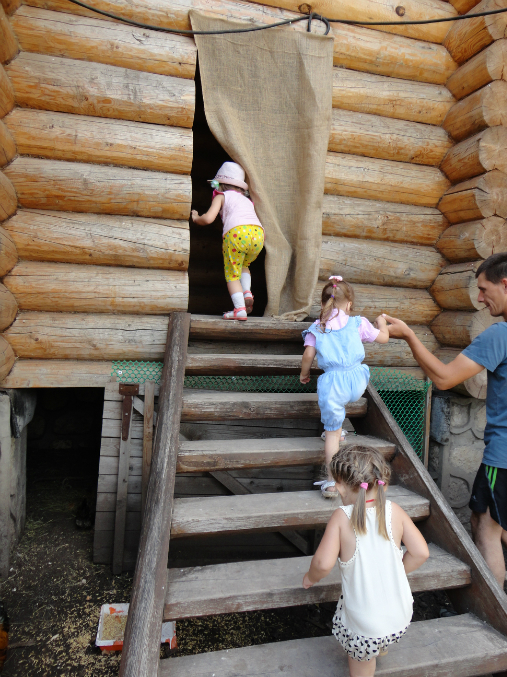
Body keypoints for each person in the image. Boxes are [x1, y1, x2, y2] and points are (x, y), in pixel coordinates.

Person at [384, 252, 507, 588]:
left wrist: (410, 336)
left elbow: (443, 378)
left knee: (486, 527)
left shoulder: (500, 335)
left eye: (484, 289)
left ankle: (494, 612)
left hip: (503, 456)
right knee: (492, 521)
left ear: (505, 284)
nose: (479, 299)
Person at [303, 445, 429, 677]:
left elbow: (322, 564)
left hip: (365, 624)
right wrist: (397, 573)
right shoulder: (394, 510)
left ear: (340, 486)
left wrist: (310, 578)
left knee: (361, 666)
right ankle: (380, 644)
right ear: (382, 483)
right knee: (378, 631)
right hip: (400, 614)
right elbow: (421, 553)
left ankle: (371, 650)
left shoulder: (341, 518)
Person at [300, 276, 389, 497]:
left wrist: (304, 373)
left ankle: (332, 483)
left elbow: (308, 354)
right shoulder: (358, 323)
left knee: (331, 432)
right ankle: (338, 429)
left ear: (323, 304)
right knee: (340, 406)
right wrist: (381, 323)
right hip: (357, 381)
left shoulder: (317, 328)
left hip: (334, 385)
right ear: (349, 304)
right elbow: (383, 338)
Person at [191, 161, 264, 320]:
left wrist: (196, 218)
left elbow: (208, 219)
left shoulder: (221, 196)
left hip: (237, 233)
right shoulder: (247, 200)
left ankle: (240, 309)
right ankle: (247, 292)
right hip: (258, 234)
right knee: (244, 265)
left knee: (232, 275)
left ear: (220, 185)